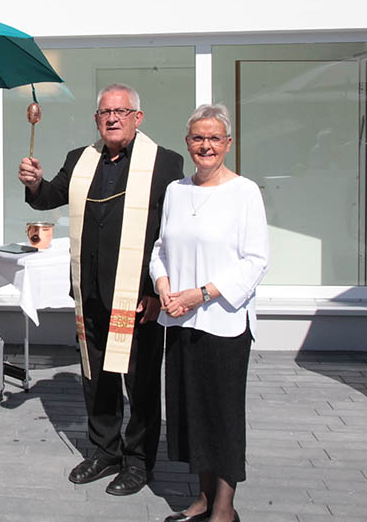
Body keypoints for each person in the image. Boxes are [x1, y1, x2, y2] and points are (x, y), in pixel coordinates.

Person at [18, 83, 184, 496]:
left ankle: (138, 461)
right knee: (97, 379)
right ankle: (104, 451)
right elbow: (49, 198)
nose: (112, 118)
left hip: (137, 296)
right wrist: (36, 183)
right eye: (104, 112)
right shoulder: (81, 159)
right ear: (97, 119)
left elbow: (173, 234)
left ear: (137, 118)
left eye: (121, 111)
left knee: (140, 382)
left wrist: (153, 291)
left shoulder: (163, 163)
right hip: (89, 292)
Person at [149, 104, 268, 522]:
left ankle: (224, 507)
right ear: (188, 143)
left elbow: (255, 261)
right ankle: (201, 497)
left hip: (224, 322)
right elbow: (160, 250)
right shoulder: (177, 191)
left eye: (214, 138)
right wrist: (163, 286)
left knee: (223, 415)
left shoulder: (245, 192)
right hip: (181, 321)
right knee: (189, 413)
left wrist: (200, 294)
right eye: (199, 138)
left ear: (228, 144)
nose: (206, 145)